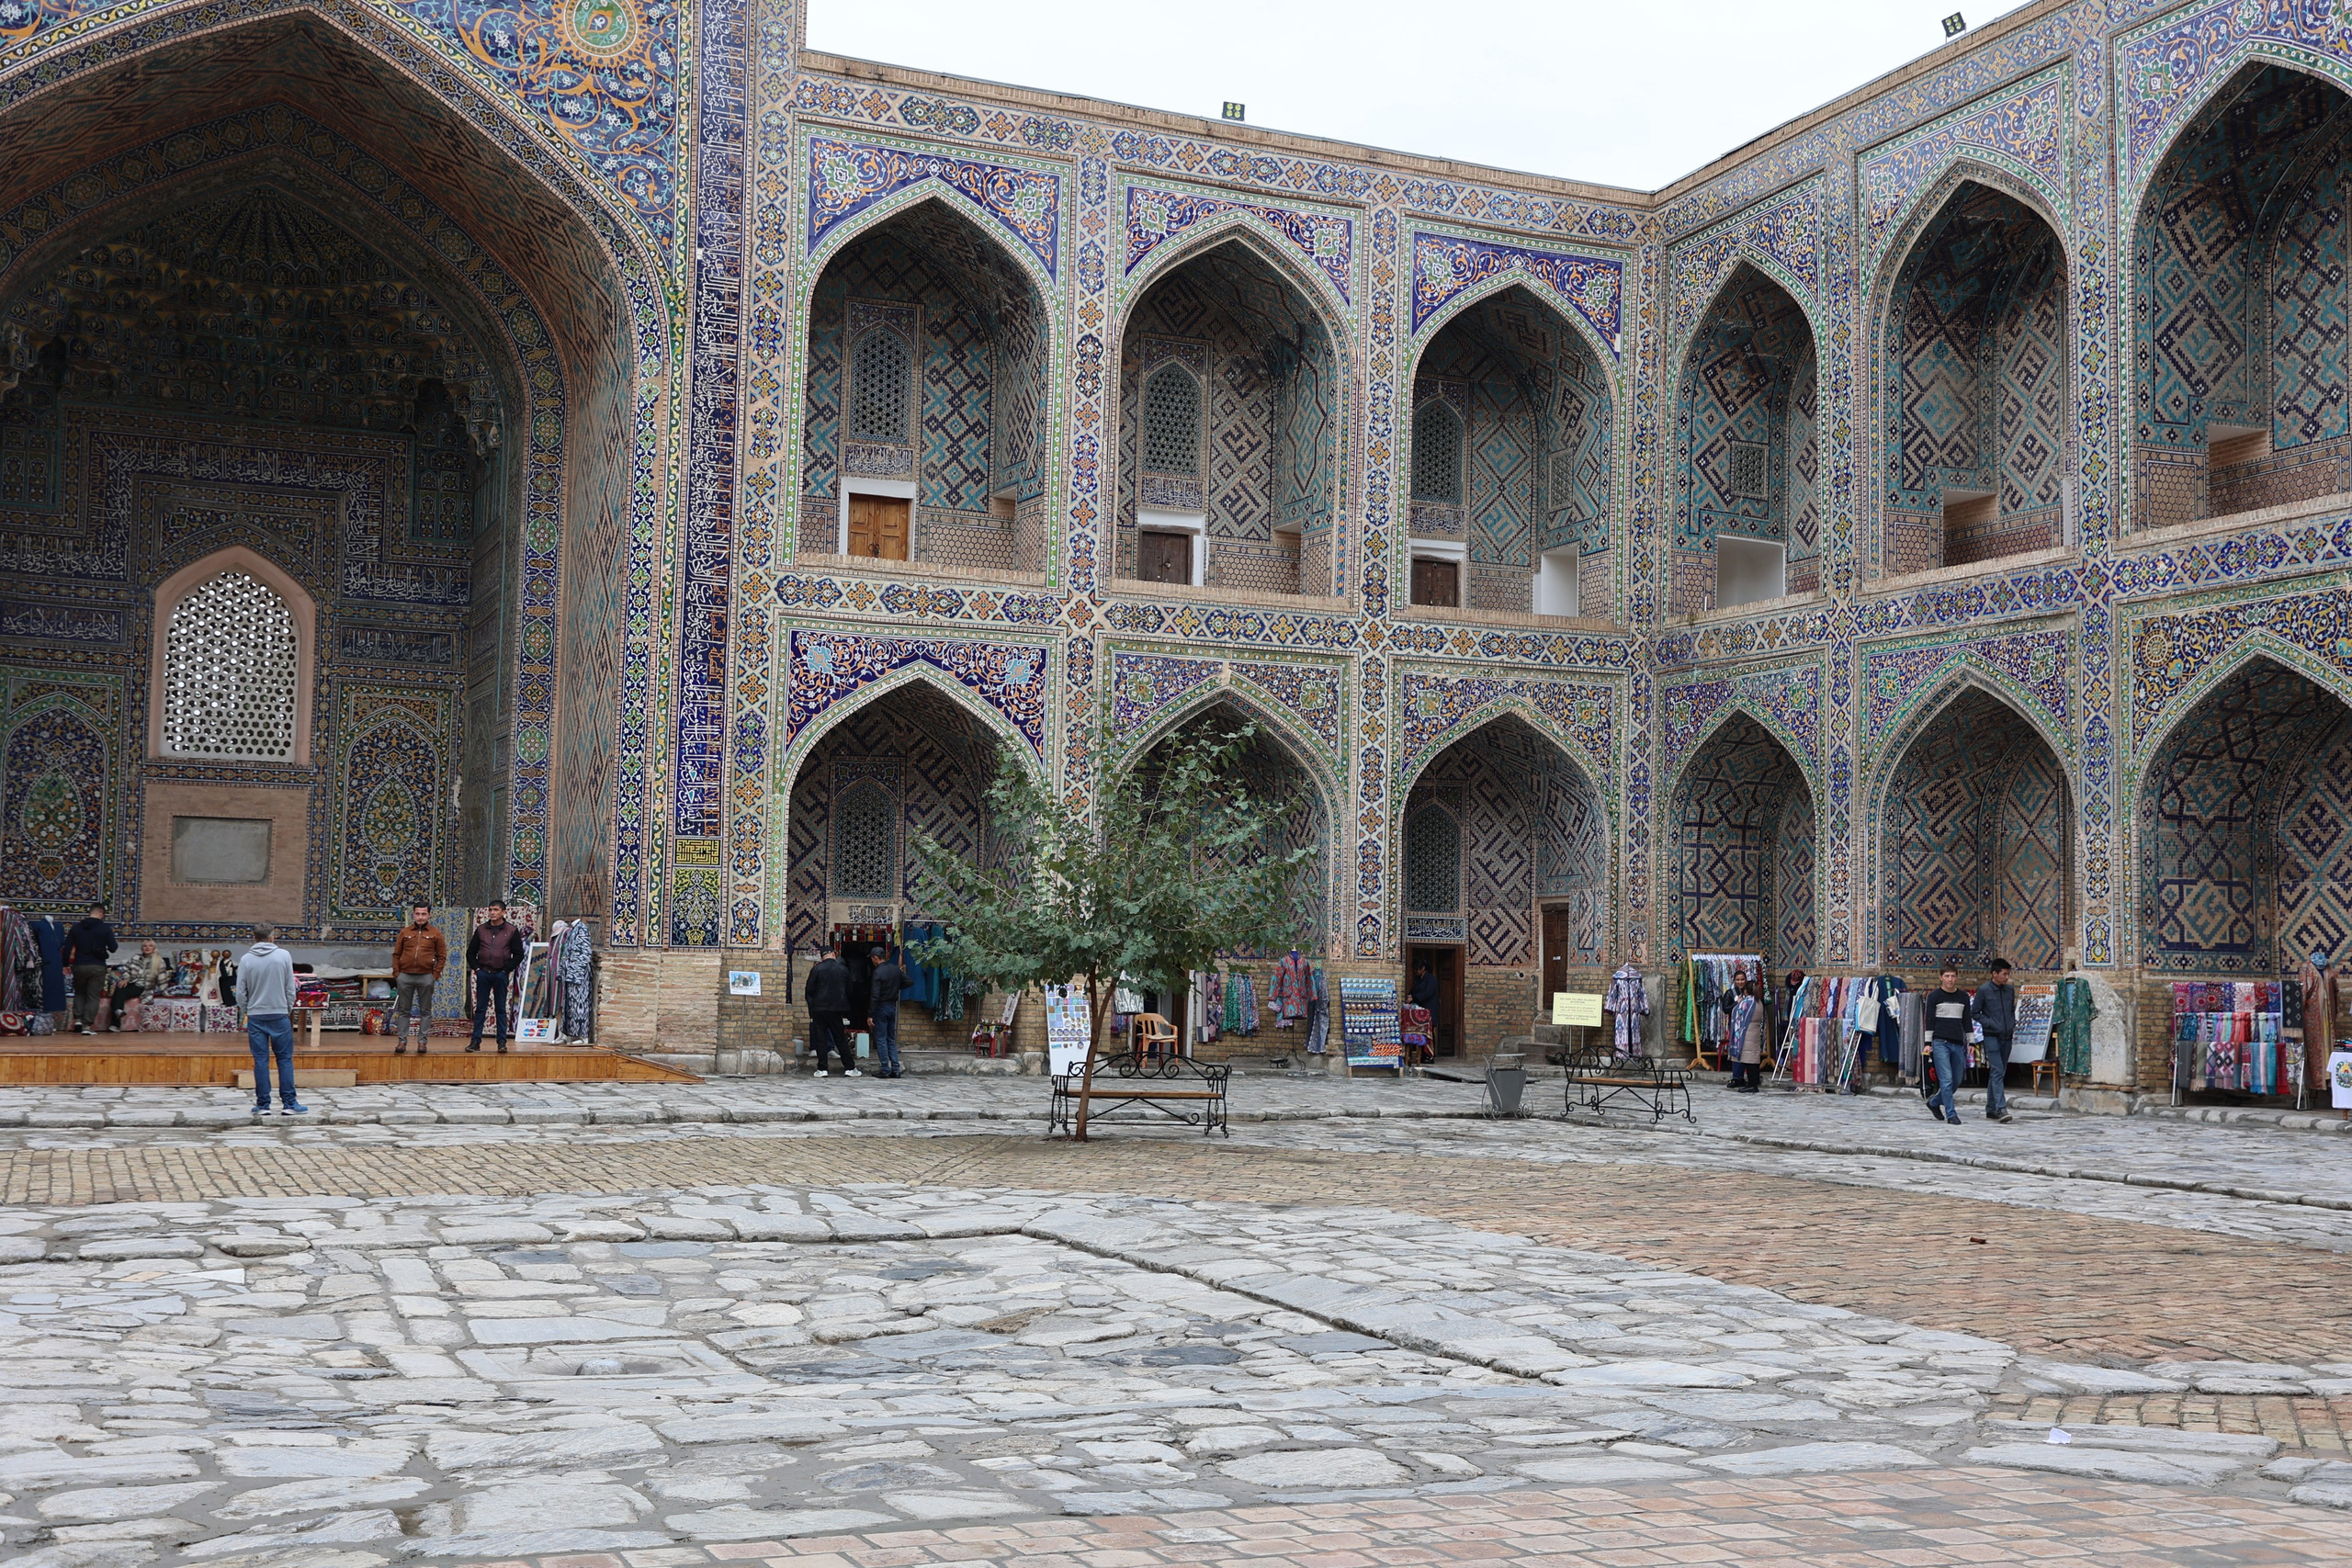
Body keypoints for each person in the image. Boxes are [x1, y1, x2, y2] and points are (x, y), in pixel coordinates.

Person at [237, 924, 304, 1116]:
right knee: (284, 1059)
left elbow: (241, 991)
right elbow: (290, 987)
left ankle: (263, 1104)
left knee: (260, 1060)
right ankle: (290, 1103)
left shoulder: (246, 959)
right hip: (279, 1013)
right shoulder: (283, 956)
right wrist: (286, 1007)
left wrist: (247, 1009)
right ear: (272, 937)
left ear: (254, 937)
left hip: (256, 1015)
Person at [466, 902, 526, 1054]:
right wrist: (477, 969)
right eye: (491, 910)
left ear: (503, 912)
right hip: (484, 972)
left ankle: (501, 1042)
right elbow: (471, 952)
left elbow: (518, 954)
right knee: (480, 1008)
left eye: (496, 910)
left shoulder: (511, 930)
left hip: (500, 974)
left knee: (500, 1008)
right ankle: (475, 1041)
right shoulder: (481, 930)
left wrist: (506, 970)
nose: (492, 912)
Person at [390, 904, 447, 1055]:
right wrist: (397, 974)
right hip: (405, 976)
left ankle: (422, 1042)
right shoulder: (405, 932)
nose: (420, 917)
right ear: (413, 915)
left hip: (425, 977)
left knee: (425, 1011)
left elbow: (442, 956)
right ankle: (402, 1041)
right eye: (417, 914)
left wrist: (434, 975)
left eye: (423, 914)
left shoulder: (436, 933)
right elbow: (396, 954)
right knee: (403, 1010)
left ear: (429, 915)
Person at [1923, 965, 1972, 1126]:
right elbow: (1929, 1021)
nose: (1950, 979)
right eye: (1947, 976)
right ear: (1941, 978)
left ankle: (1934, 1102)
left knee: (1956, 1080)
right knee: (1946, 1080)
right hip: (1940, 1042)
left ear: (1957, 977)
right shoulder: (1934, 996)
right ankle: (1951, 1114)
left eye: (1953, 976)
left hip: (1958, 1043)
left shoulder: (1963, 996)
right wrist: (1928, 1043)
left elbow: (1967, 1021)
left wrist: (1971, 1041)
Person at [1970, 958, 2018, 1123]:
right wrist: (1990, 1023)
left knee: (1999, 1072)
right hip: (1991, 1036)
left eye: (2008, 974)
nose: (2006, 978)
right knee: (1997, 1070)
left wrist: (2012, 1023)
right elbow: (1975, 1012)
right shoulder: (1983, 990)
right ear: (1994, 974)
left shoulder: (2009, 990)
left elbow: (2011, 1010)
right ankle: (2001, 1108)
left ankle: (1990, 1109)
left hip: (2007, 1036)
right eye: (2004, 974)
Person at [803, 943, 858, 1077]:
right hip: (836, 1009)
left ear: (822, 957)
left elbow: (809, 990)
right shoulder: (843, 969)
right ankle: (850, 1068)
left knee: (820, 1038)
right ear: (833, 954)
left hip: (819, 1009)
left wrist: (813, 1006)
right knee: (839, 1038)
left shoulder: (817, 969)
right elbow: (850, 990)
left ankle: (822, 1069)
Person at [62, 901, 117, 1034]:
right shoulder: (105, 928)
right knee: (93, 996)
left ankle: (78, 1020)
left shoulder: (76, 928)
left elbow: (67, 948)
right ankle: (87, 1026)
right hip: (97, 965)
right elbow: (113, 948)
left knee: (80, 992)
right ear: (101, 913)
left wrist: (65, 964)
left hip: (79, 965)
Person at [107, 940, 167, 1032]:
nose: (147, 948)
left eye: (150, 946)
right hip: (133, 983)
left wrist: (165, 992)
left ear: (154, 948)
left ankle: (115, 1024)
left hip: (145, 988)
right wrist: (125, 979)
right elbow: (125, 969)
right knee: (120, 987)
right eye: (145, 946)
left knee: (118, 994)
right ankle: (118, 1011)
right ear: (142, 948)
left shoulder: (159, 961)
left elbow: (162, 978)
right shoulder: (136, 957)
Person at [867, 945, 908, 1079]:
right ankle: (895, 1069)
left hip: (881, 1008)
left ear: (875, 958)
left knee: (881, 1039)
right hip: (892, 1007)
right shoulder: (895, 969)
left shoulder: (877, 972)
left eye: (872, 958)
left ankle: (885, 1069)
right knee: (891, 1039)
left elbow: (875, 995)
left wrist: (870, 1014)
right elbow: (909, 981)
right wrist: (896, 986)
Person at [1728, 977, 1764, 1091]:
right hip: (1753, 1031)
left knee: (1749, 1059)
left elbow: (1737, 1012)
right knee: (1752, 1057)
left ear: (1746, 991)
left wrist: (1738, 1002)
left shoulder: (1747, 1002)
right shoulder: (1758, 1001)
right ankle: (1753, 1082)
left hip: (1747, 1032)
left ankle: (1752, 1085)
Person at [31, 914, 67, 1030]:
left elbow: (61, 942)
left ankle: (51, 1020)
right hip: (44, 960)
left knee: (55, 987)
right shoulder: (38, 926)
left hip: (56, 961)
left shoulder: (58, 926)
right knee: (44, 988)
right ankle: (43, 1018)